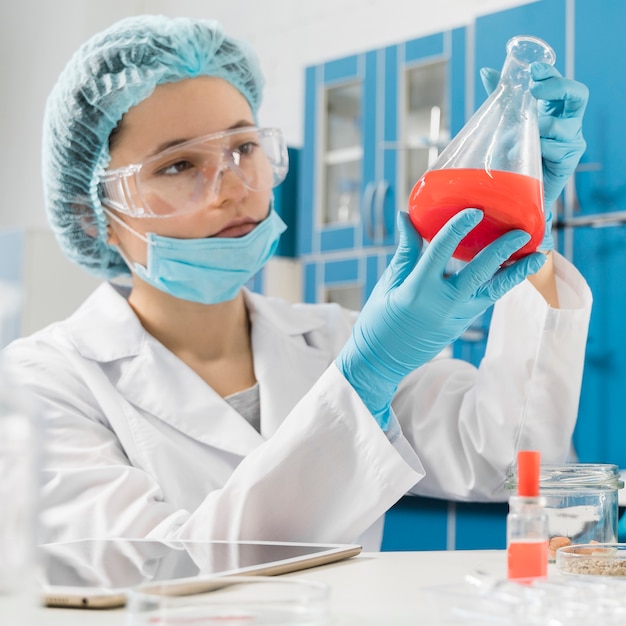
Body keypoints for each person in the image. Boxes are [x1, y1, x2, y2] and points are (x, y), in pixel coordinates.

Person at [2, 15, 591, 551]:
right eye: (179, 165)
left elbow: (507, 464)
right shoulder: (42, 383)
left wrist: (516, 235)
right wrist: (363, 383)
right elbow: (157, 572)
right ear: (92, 216)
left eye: (243, 147)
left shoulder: (333, 339)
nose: (233, 187)